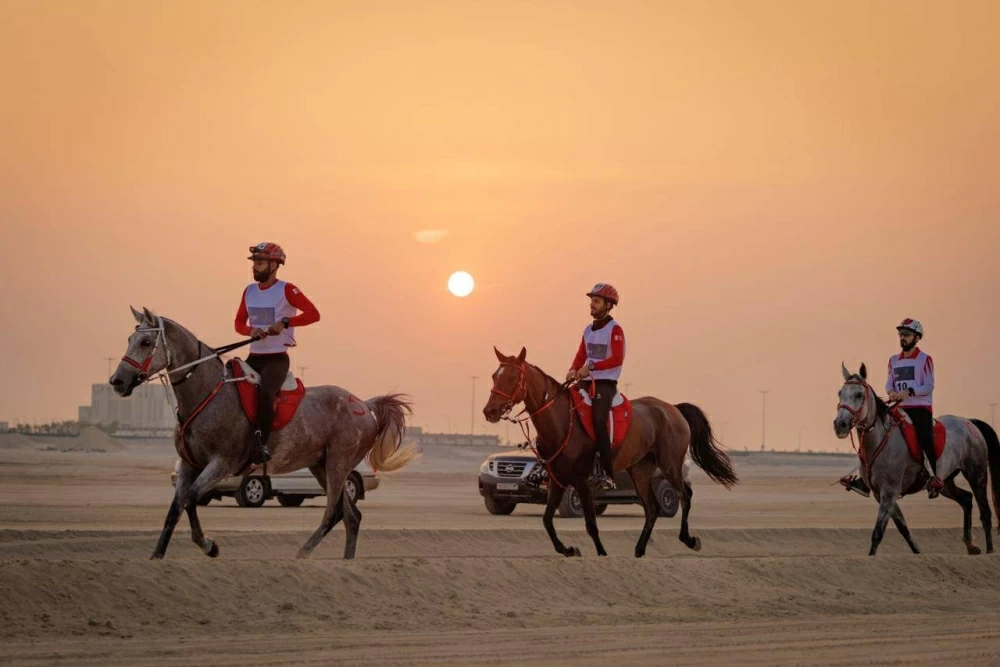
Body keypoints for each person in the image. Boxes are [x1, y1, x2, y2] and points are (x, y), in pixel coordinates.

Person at [234, 242, 320, 463]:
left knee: (265, 394)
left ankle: (262, 444)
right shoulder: (249, 291)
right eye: (254, 263)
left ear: (274, 265)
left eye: (259, 263)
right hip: (254, 357)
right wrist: (250, 330)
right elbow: (238, 323)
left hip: (276, 359)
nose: (254, 268)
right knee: (232, 391)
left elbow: (313, 314)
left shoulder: (287, 289)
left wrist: (285, 322)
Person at [840, 318, 939, 498]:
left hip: (919, 407)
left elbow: (929, 386)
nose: (903, 337)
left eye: (907, 335)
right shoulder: (893, 360)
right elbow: (889, 384)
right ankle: (865, 478)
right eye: (901, 334)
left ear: (917, 337)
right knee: (870, 430)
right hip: (897, 406)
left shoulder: (925, 359)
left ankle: (934, 477)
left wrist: (908, 392)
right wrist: (892, 392)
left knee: (925, 436)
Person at [567, 283, 625, 490]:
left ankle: (606, 472)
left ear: (608, 305)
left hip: (605, 384)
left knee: (599, 421)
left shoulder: (615, 330)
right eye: (591, 300)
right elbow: (581, 355)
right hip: (585, 380)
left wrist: (590, 367)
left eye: (596, 301)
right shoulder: (588, 330)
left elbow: (616, 359)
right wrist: (573, 369)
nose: (591, 304)